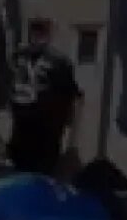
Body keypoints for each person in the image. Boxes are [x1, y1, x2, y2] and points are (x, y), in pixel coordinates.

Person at [7, 19, 84, 177]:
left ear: (48, 34)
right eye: (34, 31)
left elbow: (72, 96)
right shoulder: (20, 56)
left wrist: (71, 138)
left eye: (41, 31)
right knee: (21, 170)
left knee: (41, 173)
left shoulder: (58, 61)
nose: (36, 36)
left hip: (45, 131)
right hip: (23, 129)